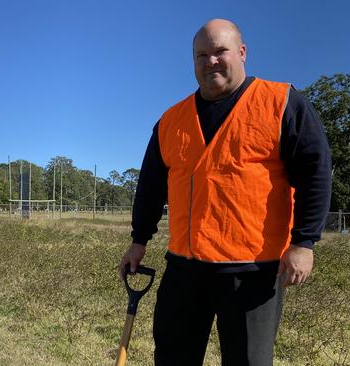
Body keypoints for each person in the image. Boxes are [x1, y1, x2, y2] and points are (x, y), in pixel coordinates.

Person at [118, 19, 332, 366]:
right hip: (184, 269)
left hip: (252, 270)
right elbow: (150, 187)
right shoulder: (171, 121)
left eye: (220, 51)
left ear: (242, 52)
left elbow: (316, 173)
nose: (210, 62)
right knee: (172, 357)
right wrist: (139, 240)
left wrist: (303, 243)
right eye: (201, 55)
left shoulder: (282, 103)